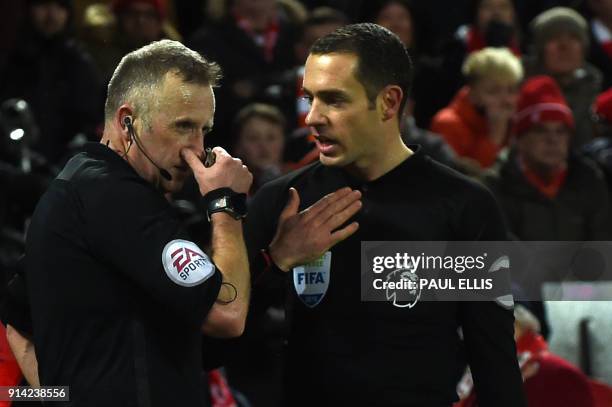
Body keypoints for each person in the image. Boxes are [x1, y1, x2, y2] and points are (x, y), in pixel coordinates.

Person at [246, 23, 526, 406]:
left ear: (389, 102)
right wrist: (275, 264)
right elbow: (219, 341)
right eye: (309, 98)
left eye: (334, 100)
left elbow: (493, 358)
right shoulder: (282, 201)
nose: (312, 117)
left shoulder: (462, 206)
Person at [10, 40, 253, 406]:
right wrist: (226, 204)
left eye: (205, 129)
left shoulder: (78, 186)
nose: (199, 148)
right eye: (184, 126)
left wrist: (61, 398)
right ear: (128, 122)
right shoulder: (113, 196)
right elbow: (227, 313)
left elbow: (15, 319)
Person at [431, 47, 523, 171]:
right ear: (472, 91)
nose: (506, 100)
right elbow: (466, 180)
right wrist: (495, 136)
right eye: (493, 91)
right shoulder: (447, 124)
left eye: (511, 90)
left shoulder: (518, 121)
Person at [523, 7, 603, 148]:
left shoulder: (598, 92)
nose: (564, 46)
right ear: (540, 49)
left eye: (574, 38)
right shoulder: (519, 92)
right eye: (554, 37)